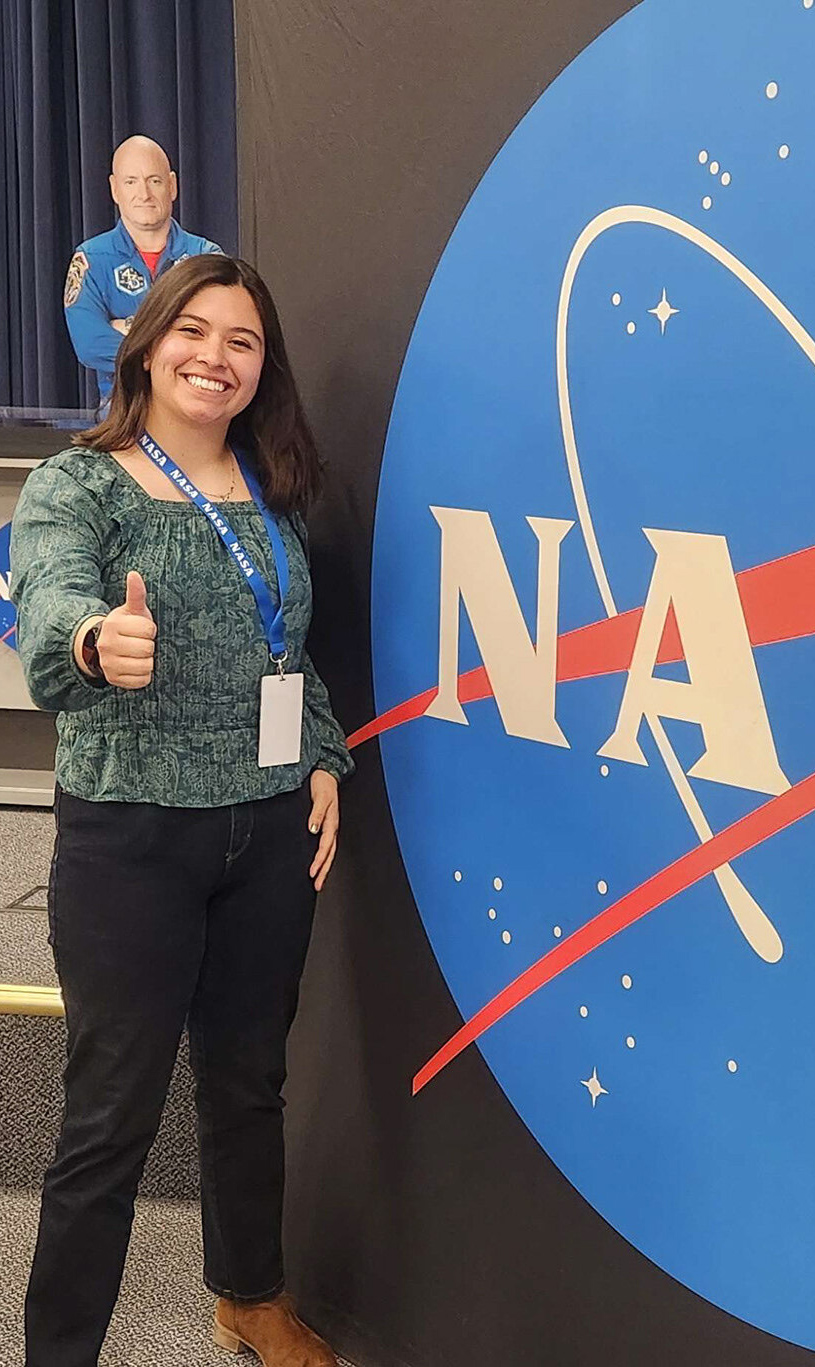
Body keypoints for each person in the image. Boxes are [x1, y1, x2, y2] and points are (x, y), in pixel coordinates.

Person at [11, 253, 352, 1367]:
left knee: (250, 1080)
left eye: (242, 340)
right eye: (194, 331)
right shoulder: (83, 484)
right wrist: (91, 638)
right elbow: (53, 593)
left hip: (264, 838)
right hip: (132, 842)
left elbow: (284, 641)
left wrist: (319, 754)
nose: (215, 356)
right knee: (110, 1119)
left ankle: (249, 1295)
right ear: (148, 343)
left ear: (263, 367)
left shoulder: (269, 481)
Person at [64, 136, 223, 405]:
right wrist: (172, 339)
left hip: (194, 403)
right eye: (131, 182)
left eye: (154, 181)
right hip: (124, 405)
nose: (144, 194)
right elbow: (90, 345)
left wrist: (130, 327)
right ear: (115, 189)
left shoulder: (206, 257)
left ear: (172, 186)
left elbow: (218, 336)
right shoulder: (91, 259)